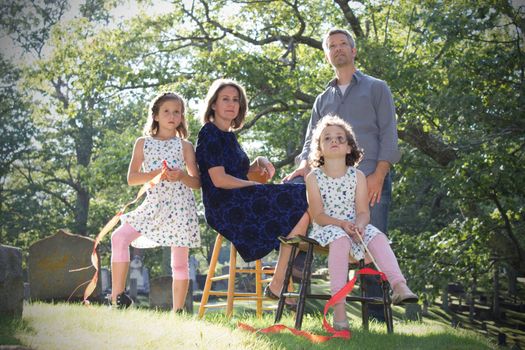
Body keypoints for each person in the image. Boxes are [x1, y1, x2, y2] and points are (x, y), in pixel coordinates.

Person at [284, 28, 401, 320]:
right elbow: (311, 141)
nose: (338, 49)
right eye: (332, 46)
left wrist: (379, 175)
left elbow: (389, 134)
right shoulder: (322, 99)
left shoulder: (377, 88)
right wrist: (301, 166)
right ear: (327, 55)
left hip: (371, 180)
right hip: (330, 188)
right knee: (293, 189)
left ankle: (375, 318)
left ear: (353, 50)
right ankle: (294, 267)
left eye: (343, 44)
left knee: (371, 244)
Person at [195, 78, 310, 303]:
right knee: (302, 195)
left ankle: (282, 277)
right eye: (225, 99)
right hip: (224, 206)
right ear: (214, 105)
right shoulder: (209, 133)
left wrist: (259, 161)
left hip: (240, 198)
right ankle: (289, 272)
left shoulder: (230, 137)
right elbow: (219, 180)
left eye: (235, 100)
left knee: (305, 197)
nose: (231, 104)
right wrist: (255, 185)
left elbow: (241, 174)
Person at [305, 115, 417, 331]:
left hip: (354, 227)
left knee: (377, 235)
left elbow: (364, 212)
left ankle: (399, 285)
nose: (334, 141)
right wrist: (341, 224)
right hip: (327, 228)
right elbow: (318, 215)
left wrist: (360, 225)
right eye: (327, 138)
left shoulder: (357, 177)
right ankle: (339, 308)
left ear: (349, 147)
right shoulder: (313, 177)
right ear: (319, 147)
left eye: (340, 137)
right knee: (339, 239)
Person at [110, 92, 201, 312]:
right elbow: (132, 178)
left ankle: (177, 311)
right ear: (156, 115)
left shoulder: (185, 146)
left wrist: (180, 176)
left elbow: (197, 182)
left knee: (179, 263)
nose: (172, 116)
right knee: (118, 237)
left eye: (177, 112)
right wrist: (155, 174)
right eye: (166, 111)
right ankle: (117, 299)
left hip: (181, 208)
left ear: (181, 117)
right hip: (153, 207)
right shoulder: (142, 143)